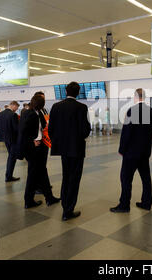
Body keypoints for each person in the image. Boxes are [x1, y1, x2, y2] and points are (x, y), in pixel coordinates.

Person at [49, 82, 91, 221]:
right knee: (74, 178)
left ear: (65, 91)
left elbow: (51, 129)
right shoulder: (81, 107)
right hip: (76, 149)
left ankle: (64, 204)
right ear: (78, 92)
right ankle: (68, 210)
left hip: (62, 149)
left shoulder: (56, 107)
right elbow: (85, 130)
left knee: (66, 176)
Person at [110, 88, 152, 213]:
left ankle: (124, 205)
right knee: (146, 178)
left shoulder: (132, 111)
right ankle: (147, 203)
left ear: (136, 97)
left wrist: (122, 149)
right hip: (145, 151)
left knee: (126, 178)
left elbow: (126, 132)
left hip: (131, 152)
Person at [16, 94, 60, 209]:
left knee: (42, 172)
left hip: (40, 147)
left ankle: (49, 198)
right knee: (33, 174)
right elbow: (22, 132)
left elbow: (42, 125)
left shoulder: (37, 112)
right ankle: (28, 200)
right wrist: (32, 141)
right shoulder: (29, 114)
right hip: (32, 149)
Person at [0, 100, 21, 182]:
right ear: (13, 105)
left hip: (4, 138)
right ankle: (8, 176)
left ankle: (9, 175)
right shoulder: (13, 115)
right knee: (12, 157)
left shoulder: (0, 114)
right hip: (13, 139)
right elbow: (16, 129)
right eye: (16, 108)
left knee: (11, 156)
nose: (16, 110)